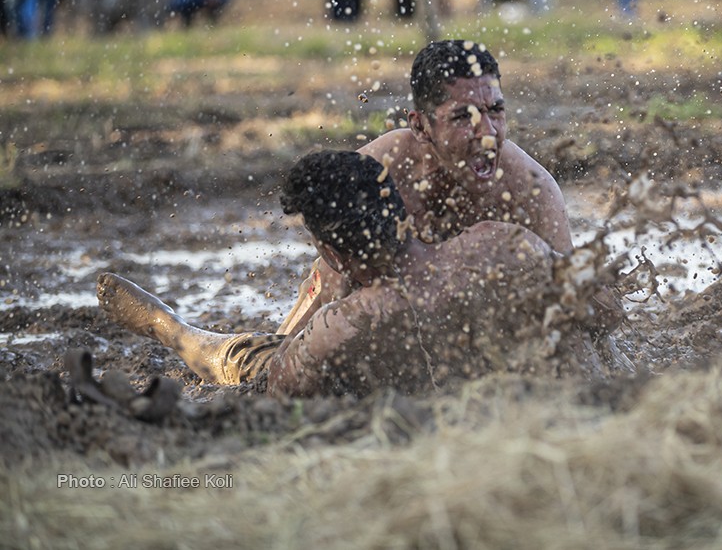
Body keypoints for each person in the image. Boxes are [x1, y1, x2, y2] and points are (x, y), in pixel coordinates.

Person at [97, 151, 619, 398]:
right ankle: (166, 324)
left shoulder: (340, 326)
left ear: (332, 254)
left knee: (239, 359)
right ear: (403, 212)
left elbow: (266, 396)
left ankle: (169, 327)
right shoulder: (501, 243)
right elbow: (602, 310)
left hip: (360, 385)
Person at [275, 40, 574, 337]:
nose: (488, 133)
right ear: (420, 127)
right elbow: (336, 280)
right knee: (285, 351)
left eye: (495, 110)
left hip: (479, 324)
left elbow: (579, 306)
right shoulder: (377, 173)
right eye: (463, 116)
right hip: (375, 307)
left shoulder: (531, 189)